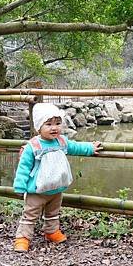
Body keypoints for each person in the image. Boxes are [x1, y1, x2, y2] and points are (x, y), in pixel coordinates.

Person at [13, 103, 102, 252]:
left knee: (53, 213)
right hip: (37, 190)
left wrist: (90, 148)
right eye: (48, 124)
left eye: (58, 123)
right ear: (38, 127)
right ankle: (23, 238)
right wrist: (20, 186)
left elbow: (76, 147)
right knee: (30, 215)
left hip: (56, 188)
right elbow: (24, 167)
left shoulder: (61, 141)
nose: (54, 128)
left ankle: (51, 231)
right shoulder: (33, 146)